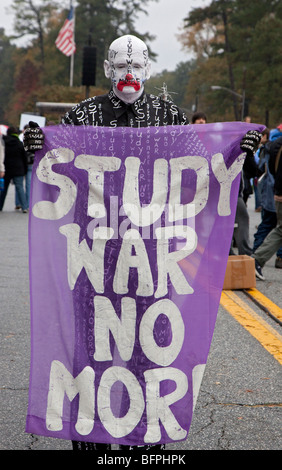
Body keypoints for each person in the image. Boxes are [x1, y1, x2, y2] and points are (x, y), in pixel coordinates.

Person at [24, 34, 261, 451]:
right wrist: (38, 148)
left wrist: (235, 154)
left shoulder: (169, 115)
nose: (128, 74)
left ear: (148, 68)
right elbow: (57, 169)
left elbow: (198, 172)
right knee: (92, 351)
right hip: (93, 256)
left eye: (135, 66)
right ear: (107, 70)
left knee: (149, 353)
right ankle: (91, 441)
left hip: (150, 256)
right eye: (119, 67)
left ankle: (143, 441)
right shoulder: (85, 115)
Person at [253, 136, 282, 279]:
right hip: (279, 192)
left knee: (276, 227)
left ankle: (257, 259)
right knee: (277, 228)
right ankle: (257, 259)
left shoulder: (274, 144)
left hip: (276, 191)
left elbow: (269, 168)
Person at [0, 126, 28, 213]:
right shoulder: (20, 144)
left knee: (4, 189)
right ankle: (24, 207)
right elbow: (24, 158)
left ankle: (0, 206)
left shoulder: (4, 143)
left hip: (6, 168)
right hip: (18, 168)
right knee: (20, 188)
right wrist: (25, 170)